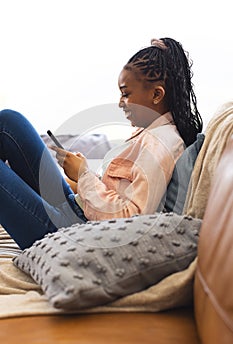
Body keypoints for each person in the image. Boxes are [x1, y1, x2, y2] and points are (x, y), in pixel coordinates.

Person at [0, 37, 202, 250]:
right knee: (10, 122)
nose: (120, 103)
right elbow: (120, 192)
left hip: (75, 234)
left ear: (156, 94)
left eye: (126, 94)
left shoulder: (159, 145)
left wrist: (84, 176)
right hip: (78, 211)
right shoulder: (150, 134)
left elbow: (130, 220)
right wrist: (84, 174)